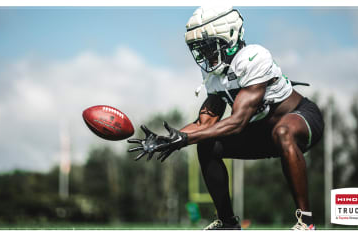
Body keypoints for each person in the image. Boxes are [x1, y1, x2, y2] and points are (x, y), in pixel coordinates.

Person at [128, 6, 324, 230]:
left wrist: (185, 139)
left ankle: (306, 222)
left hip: (300, 118)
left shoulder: (253, 58)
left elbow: (237, 121)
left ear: (229, 37)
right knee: (207, 144)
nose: (205, 54)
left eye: (208, 46)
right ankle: (228, 223)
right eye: (199, 48)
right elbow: (205, 123)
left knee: (283, 132)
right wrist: (171, 138)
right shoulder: (213, 73)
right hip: (262, 132)